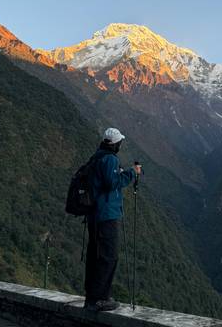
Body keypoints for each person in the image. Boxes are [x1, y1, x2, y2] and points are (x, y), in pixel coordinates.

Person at [84, 127, 141, 312]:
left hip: (95, 215)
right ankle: (99, 299)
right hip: (106, 216)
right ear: (116, 143)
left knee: (96, 256)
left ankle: (93, 296)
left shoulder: (97, 157)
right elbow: (113, 183)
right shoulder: (109, 159)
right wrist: (132, 173)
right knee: (108, 257)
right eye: (120, 142)